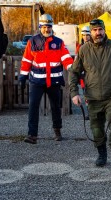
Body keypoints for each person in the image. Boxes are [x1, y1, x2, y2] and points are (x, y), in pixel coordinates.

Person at [69, 19, 111, 172]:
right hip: (93, 98)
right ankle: (102, 154)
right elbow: (74, 72)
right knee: (97, 130)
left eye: (100, 30)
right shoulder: (84, 50)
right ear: (90, 32)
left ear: (104, 30)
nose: (98, 33)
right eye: (95, 30)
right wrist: (74, 93)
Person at [18, 13, 74, 144]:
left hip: (54, 81)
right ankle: (32, 135)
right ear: (40, 27)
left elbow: (65, 58)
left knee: (55, 107)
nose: (46, 29)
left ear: (51, 27)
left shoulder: (58, 42)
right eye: (44, 27)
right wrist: (22, 76)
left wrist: (72, 68)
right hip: (36, 81)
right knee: (33, 107)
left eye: (49, 27)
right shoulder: (32, 41)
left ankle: (57, 131)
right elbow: (26, 60)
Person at [76, 26, 91, 120]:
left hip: (92, 73)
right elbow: (77, 61)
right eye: (84, 35)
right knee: (86, 94)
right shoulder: (79, 47)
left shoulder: (93, 46)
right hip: (83, 74)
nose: (85, 37)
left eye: (87, 35)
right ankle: (89, 113)